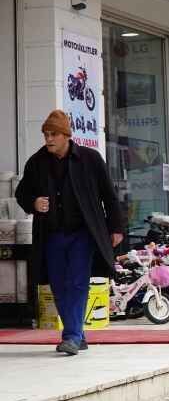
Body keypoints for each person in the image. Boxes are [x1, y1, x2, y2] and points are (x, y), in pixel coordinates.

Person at [15, 110, 126, 355]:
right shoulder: (36, 162)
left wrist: (116, 227)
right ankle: (78, 334)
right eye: (45, 134)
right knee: (57, 285)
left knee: (77, 282)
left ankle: (72, 336)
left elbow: (109, 194)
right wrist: (33, 203)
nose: (48, 139)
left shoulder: (90, 158)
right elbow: (22, 192)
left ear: (66, 135)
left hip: (83, 233)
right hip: (52, 234)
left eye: (53, 134)